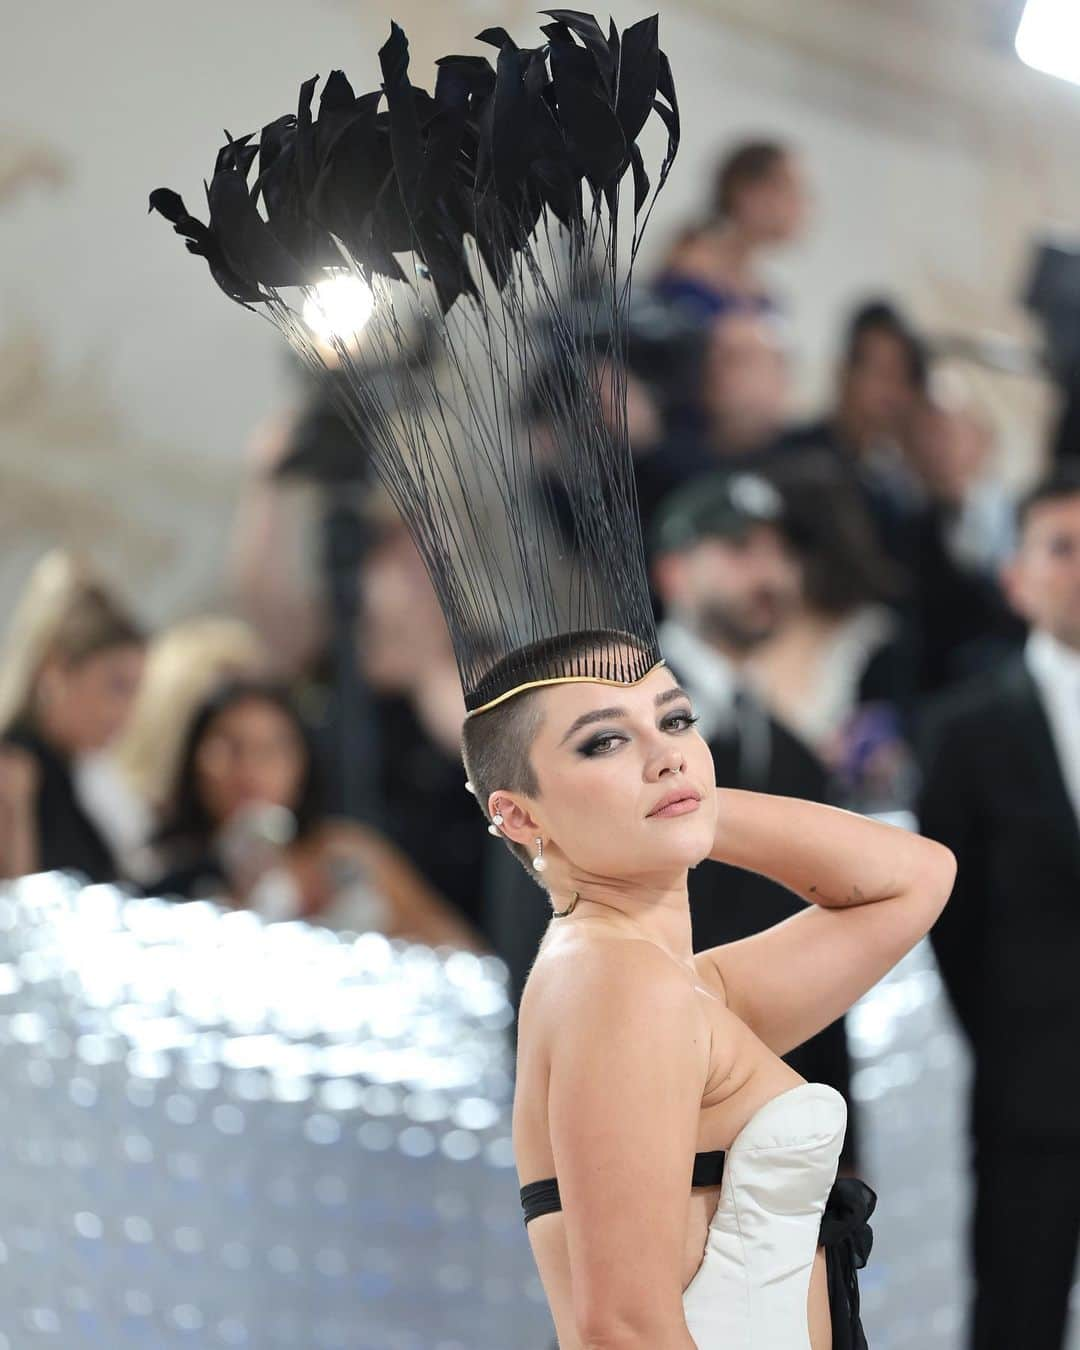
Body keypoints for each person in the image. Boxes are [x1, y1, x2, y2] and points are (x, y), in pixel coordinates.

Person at [649, 468, 861, 1170]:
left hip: (778, 1125)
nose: (769, 573)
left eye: (781, 553)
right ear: (674, 572)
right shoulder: (606, 727)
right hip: (646, 1106)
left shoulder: (797, 755)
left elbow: (822, 941)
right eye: (740, 550)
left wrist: (842, 1132)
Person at [917, 466, 1080, 1350]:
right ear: (1016, 577)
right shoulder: (965, 732)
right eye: (1063, 548)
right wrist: (1015, 1038)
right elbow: (952, 923)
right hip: (1032, 1093)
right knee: (1019, 1317)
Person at [148, 678, 486, 949]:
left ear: (302, 764)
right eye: (233, 749)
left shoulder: (348, 854)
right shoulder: (171, 874)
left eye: (271, 751)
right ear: (196, 763)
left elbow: (458, 948)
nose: (251, 769)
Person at [748, 453, 918, 808]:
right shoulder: (736, 634)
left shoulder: (875, 642)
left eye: (773, 549)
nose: (759, 566)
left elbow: (893, 767)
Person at [0, 551, 145, 881]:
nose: (126, 713)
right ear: (57, 670)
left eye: (136, 693)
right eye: (117, 686)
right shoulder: (14, 773)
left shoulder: (77, 781)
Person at [654, 140, 808, 325]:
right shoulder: (690, 274)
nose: (801, 206)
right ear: (747, 193)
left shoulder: (762, 294)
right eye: (790, 189)